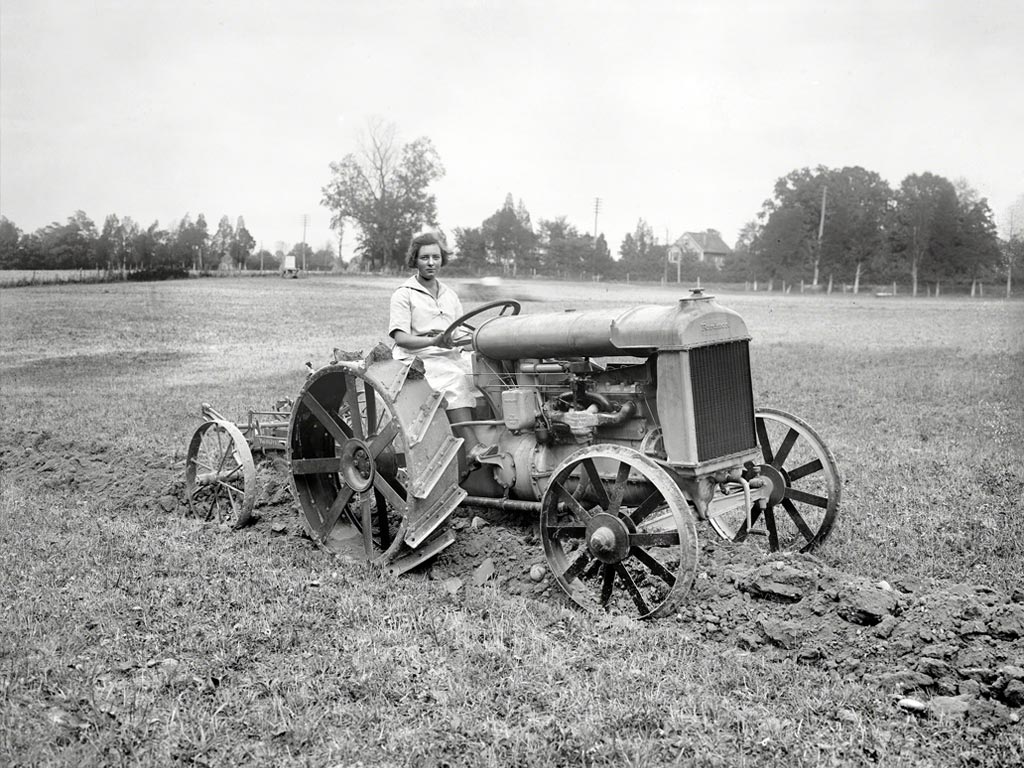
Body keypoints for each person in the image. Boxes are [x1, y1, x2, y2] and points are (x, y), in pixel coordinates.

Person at [388, 231, 486, 459]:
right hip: (417, 358)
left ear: (442, 259)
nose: (431, 263)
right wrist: (434, 341)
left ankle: (495, 435)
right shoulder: (404, 294)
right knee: (455, 378)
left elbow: (459, 333)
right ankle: (471, 447)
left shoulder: (449, 295)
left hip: (448, 354)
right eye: (425, 258)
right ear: (415, 260)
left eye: (436, 257)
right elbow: (400, 338)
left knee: (484, 373)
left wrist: (481, 340)